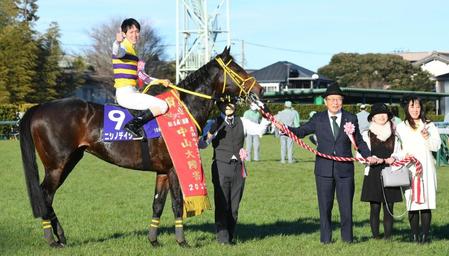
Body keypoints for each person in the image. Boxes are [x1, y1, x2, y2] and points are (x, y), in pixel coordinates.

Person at [286, 84, 376, 244]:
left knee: (346, 207)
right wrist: (285, 129)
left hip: (345, 170)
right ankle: (325, 239)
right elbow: (302, 131)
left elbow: (359, 142)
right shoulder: (318, 119)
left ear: (342, 101)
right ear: (325, 102)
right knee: (325, 207)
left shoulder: (351, 118)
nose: (335, 103)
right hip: (323, 170)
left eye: (338, 99)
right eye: (332, 99)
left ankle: (347, 239)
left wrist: (368, 155)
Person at [203, 97, 269, 244]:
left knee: (234, 206)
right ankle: (223, 238)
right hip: (221, 166)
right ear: (220, 106)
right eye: (225, 104)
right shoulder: (213, 122)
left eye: (231, 103)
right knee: (222, 204)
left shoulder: (243, 121)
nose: (229, 106)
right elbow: (202, 144)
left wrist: (266, 116)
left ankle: (230, 235)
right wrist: (211, 132)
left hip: (238, 167)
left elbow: (260, 130)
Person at [112, 18, 170, 138]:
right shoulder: (123, 47)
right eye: (131, 32)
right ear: (124, 34)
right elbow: (117, 52)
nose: (135, 35)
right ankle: (132, 125)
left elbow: (143, 76)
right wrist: (117, 42)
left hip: (132, 92)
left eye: (137, 31)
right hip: (125, 94)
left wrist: (160, 81)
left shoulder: (135, 54)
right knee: (163, 106)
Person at [396, 95, 441, 243]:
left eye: (417, 106)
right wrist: (404, 154)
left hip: (426, 168)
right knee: (412, 203)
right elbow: (397, 148)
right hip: (409, 167)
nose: (415, 110)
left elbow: (436, 146)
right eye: (412, 106)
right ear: (406, 108)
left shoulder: (428, 125)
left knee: (426, 202)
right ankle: (414, 235)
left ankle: (425, 236)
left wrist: (428, 137)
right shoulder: (401, 127)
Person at [359, 103, 403, 240]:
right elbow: (359, 155)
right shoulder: (366, 134)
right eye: (378, 114)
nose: (382, 117)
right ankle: (376, 236)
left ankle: (388, 236)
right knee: (375, 207)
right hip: (373, 173)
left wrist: (394, 157)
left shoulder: (395, 134)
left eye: (384, 114)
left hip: (391, 172)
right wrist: (369, 159)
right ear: (373, 118)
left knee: (389, 207)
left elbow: (401, 152)